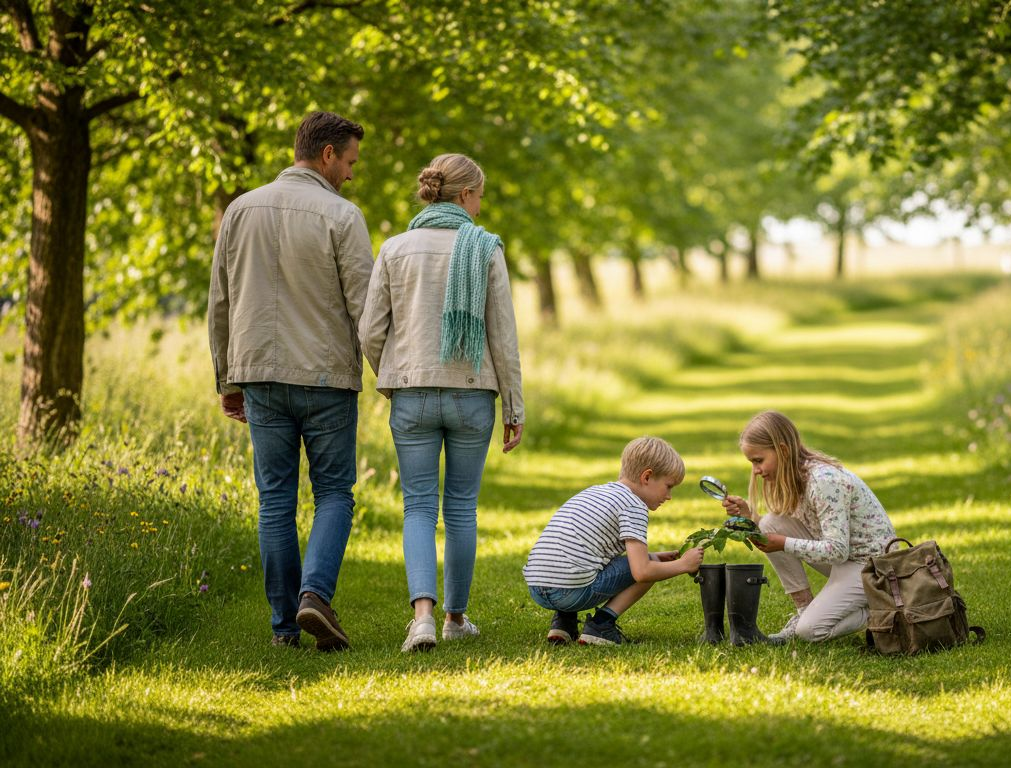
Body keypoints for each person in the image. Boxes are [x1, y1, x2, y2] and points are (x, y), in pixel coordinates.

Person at [208, 111, 372, 650]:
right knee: (333, 494)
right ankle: (315, 597)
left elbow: (221, 301)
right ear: (327, 154)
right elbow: (365, 309)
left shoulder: (240, 210)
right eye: (348, 161)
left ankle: (284, 630)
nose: (350, 173)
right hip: (325, 377)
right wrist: (388, 374)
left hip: (257, 374)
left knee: (274, 498)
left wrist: (226, 378)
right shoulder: (342, 216)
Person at [359, 153, 524, 653]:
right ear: (466, 195)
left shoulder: (395, 248)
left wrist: (392, 378)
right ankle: (455, 618)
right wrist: (514, 407)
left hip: (411, 393)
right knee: (461, 511)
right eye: (480, 195)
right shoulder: (486, 249)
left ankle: (423, 619)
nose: (481, 205)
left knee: (418, 508)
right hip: (472, 394)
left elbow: (370, 331)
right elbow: (503, 338)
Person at [719, 410, 896, 643]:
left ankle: (879, 611)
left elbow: (837, 550)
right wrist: (749, 518)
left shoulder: (824, 481)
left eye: (758, 460)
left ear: (783, 450)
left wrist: (782, 543)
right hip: (846, 561)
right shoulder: (795, 476)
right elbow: (780, 531)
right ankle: (805, 609)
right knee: (770, 523)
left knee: (810, 631)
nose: (756, 470)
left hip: (873, 567)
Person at [523, 437, 704, 646]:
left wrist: (653, 556)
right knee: (651, 568)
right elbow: (642, 572)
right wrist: (683, 564)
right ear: (647, 477)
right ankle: (601, 625)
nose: (669, 496)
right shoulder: (634, 505)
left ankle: (563, 622)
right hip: (570, 592)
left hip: (537, 586)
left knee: (577, 559)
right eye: (668, 486)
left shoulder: (595, 493)